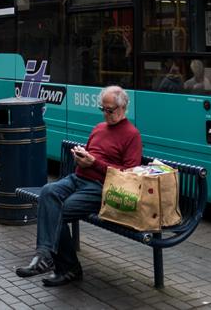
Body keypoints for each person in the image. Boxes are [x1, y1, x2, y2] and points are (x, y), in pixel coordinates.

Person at [16, 85, 142, 287]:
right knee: (48, 192)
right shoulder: (99, 128)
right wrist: (80, 157)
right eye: (103, 109)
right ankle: (47, 257)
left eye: (110, 110)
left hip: (100, 187)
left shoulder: (131, 135)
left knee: (58, 211)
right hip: (78, 178)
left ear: (122, 108)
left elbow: (130, 174)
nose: (105, 114)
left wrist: (95, 163)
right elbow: (92, 154)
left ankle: (64, 267)